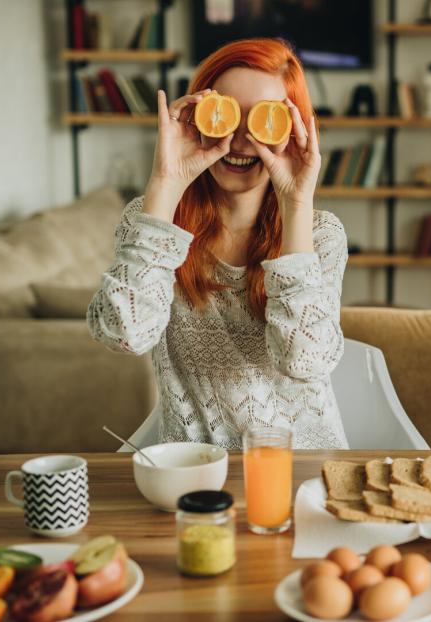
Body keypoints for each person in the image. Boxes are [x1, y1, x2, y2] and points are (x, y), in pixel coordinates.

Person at [88, 38, 348, 449]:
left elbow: (305, 360)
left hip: (299, 469)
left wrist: (297, 203)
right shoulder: (152, 218)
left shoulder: (320, 233)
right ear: (197, 115)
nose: (242, 141)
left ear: (295, 128)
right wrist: (164, 184)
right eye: (225, 115)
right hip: (192, 468)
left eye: (265, 120)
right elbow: (123, 334)